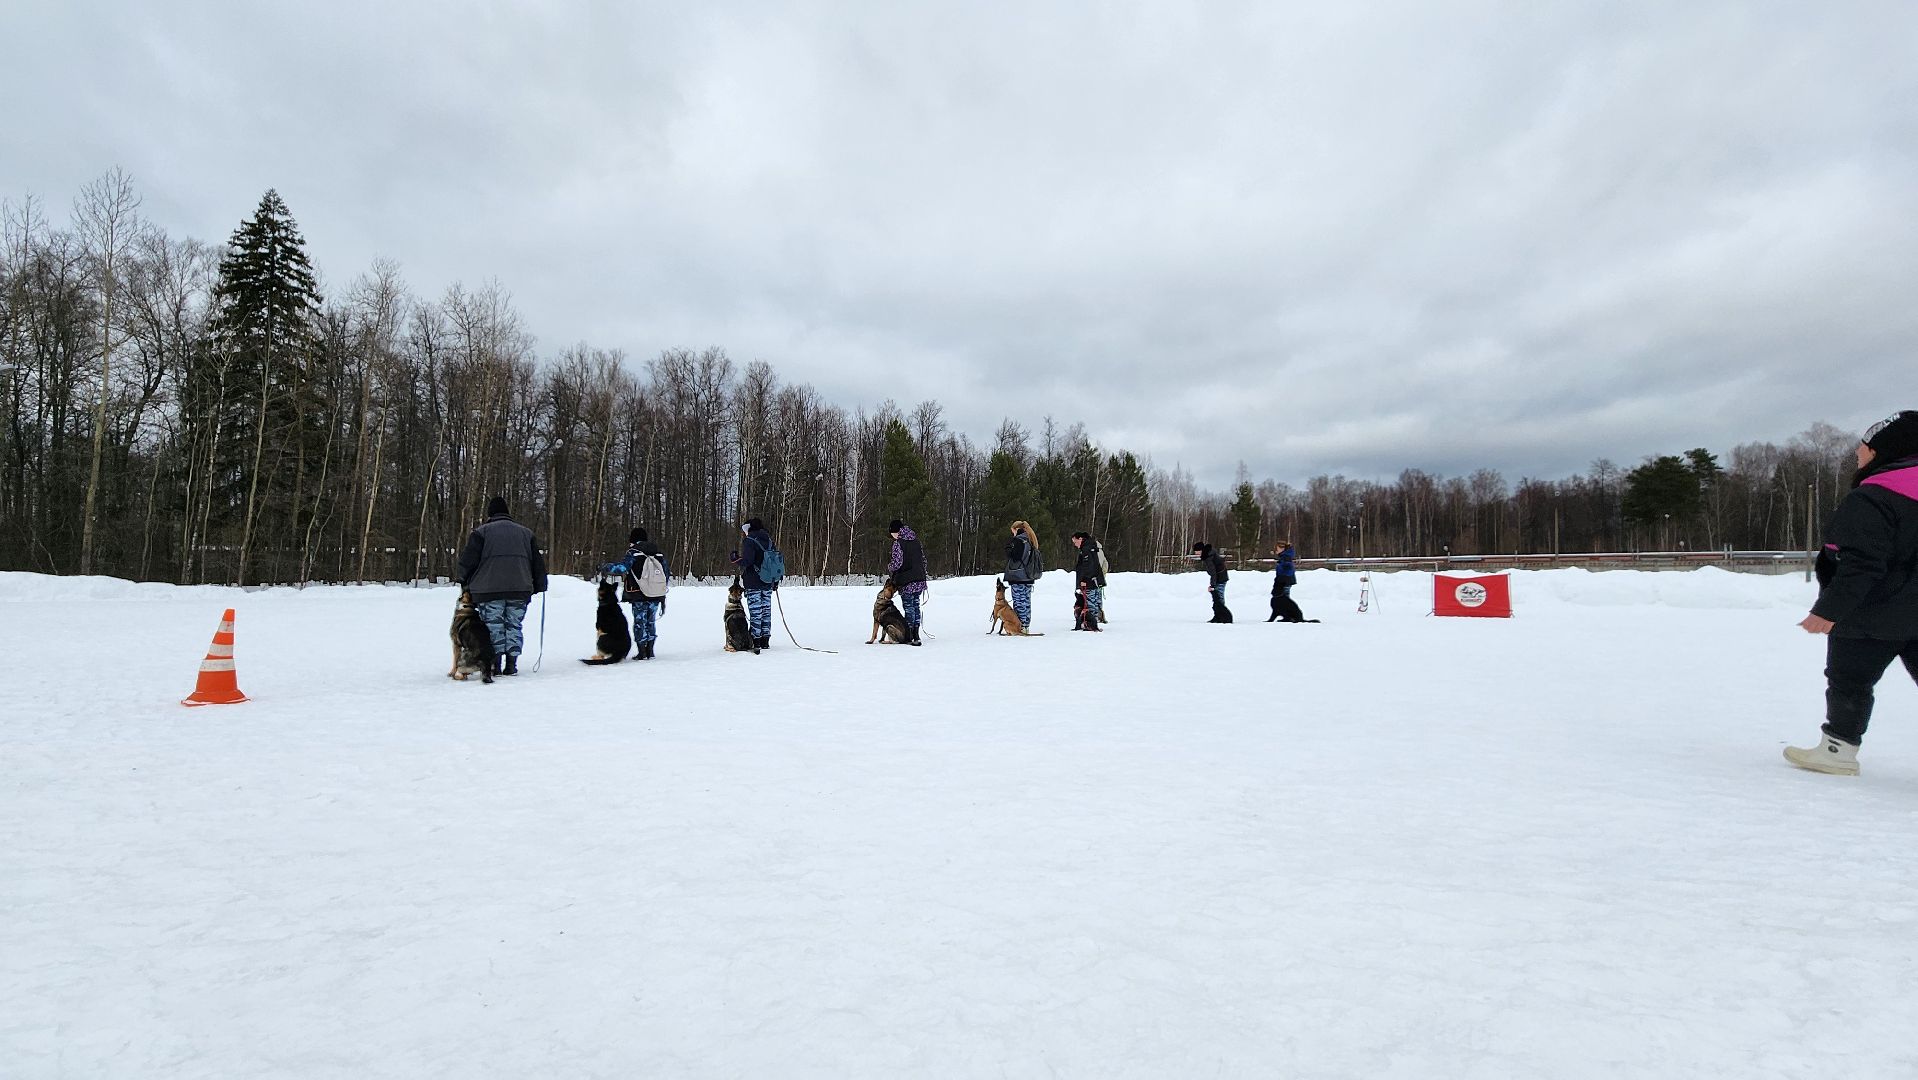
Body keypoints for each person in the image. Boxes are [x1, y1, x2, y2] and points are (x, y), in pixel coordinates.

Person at [1785, 410, 1918, 776]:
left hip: (1869, 616)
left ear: (1882, 452)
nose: (1858, 454)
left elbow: (1861, 564)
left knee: (1849, 681)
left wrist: (1828, 611)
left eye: (1864, 447)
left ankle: (1837, 749)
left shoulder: (1874, 497)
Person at [456, 495, 549, 675]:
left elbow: (467, 561)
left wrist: (463, 580)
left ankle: (495, 664)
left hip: (488, 590)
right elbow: (537, 563)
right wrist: (540, 584)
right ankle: (512, 664)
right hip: (520, 589)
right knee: (514, 625)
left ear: (490, 514)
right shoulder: (526, 533)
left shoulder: (481, 533)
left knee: (493, 626)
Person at [730, 517, 779, 651]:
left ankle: (756, 640)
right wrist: (775, 580)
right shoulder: (769, 540)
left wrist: (735, 559)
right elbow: (774, 561)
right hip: (768, 581)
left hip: (753, 581)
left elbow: (748, 561)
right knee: (766, 611)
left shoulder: (749, 541)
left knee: (756, 611)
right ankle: (765, 640)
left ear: (749, 529)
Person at [621, 527, 668, 660]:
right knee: (651, 621)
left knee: (639, 622)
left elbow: (623, 568)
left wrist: (605, 567)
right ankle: (650, 650)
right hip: (655, 594)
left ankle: (642, 652)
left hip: (638, 594)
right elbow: (666, 572)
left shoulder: (633, 553)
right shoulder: (657, 553)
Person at [887, 519, 929, 645]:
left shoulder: (898, 543)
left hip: (906, 580)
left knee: (909, 607)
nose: (892, 536)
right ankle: (916, 634)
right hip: (919, 579)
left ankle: (909, 635)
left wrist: (890, 567)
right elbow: (924, 561)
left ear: (895, 532)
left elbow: (897, 563)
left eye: (892, 533)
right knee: (916, 606)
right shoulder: (916, 541)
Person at [1004, 520, 1043, 631]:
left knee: (1019, 602)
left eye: (1013, 531)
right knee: (1026, 601)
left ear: (1016, 529)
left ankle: (1019, 626)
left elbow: (1015, 556)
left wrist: (1008, 547)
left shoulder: (1019, 540)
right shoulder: (1030, 540)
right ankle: (1025, 625)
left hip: (1018, 576)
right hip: (1028, 576)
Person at [1268, 540, 1310, 623]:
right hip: (1284, 580)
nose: (1276, 551)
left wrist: (1283, 578)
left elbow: (1288, 569)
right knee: (1284, 600)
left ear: (1282, 548)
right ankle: (1288, 616)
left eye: (1277, 549)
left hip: (1285, 581)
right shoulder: (1284, 556)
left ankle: (1289, 616)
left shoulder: (1286, 557)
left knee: (1284, 600)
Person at [1071, 532, 1105, 631]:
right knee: (1092, 602)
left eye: (1075, 541)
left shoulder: (1086, 549)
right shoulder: (1091, 547)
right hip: (1094, 580)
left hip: (1089, 581)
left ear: (1080, 539)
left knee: (1089, 603)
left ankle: (1090, 623)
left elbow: (1088, 566)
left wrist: (1084, 579)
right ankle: (1091, 622)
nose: (1075, 544)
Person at [1193, 541, 1231, 622]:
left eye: (1196, 551)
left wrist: (1212, 585)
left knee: (1219, 598)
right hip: (1220, 577)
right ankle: (1218, 616)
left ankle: (1222, 616)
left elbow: (1213, 573)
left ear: (1200, 550)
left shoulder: (1208, 557)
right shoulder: (1209, 554)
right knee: (1217, 598)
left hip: (1220, 578)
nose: (1196, 553)